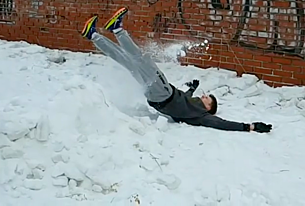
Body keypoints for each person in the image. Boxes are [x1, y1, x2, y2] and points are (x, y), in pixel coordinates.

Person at [80, 7, 273, 133]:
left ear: (208, 108)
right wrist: (192, 87)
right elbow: (185, 98)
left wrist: (251, 126)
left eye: (208, 98)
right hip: (157, 96)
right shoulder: (192, 104)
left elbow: (222, 123)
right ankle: (94, 35)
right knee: (127, 62)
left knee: (140, 58)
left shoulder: (200, 115)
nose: (206, 96)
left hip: (163, 93)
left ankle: (117, 30)